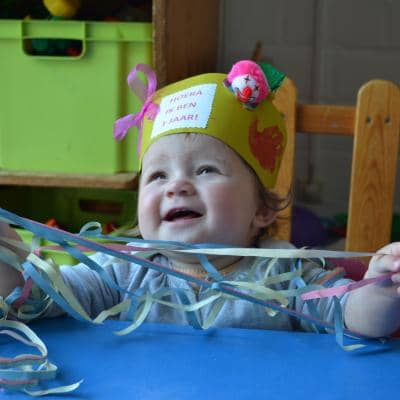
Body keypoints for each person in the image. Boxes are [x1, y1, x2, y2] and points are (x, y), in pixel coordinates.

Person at [0, 60, 399, 338]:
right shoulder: (123, 274)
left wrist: (382, 290)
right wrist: (10, 260)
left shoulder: (285, 276)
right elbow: (38, 298)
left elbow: (353, 318)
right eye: (158, 176)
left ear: (262, 209)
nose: (176, 186)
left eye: (206, 170)